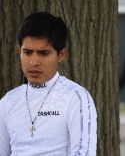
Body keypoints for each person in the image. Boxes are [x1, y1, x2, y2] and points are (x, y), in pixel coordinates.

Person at [0, 12, 97, 155]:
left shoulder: (76, 98)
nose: (33, 62)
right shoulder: (8, 101)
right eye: (27, 52)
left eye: (43, 53)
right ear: (19, 52)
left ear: (61, 55)